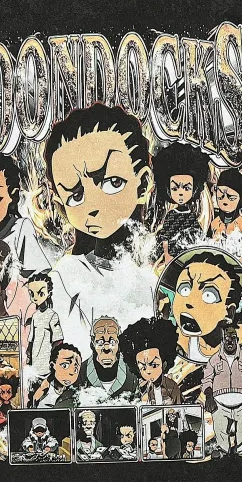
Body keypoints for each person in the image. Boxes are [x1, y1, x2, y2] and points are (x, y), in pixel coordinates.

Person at [43, 103, 156, 353]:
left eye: (112, 182)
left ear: (143, 183)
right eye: (76, 196)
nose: (93, 206)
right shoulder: (66, 277)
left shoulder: (152, 277)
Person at [160, 247, 242, 365]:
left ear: (229, 312)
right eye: (184, 289)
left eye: (208, 295)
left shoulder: (241, 339)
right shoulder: (180, 340)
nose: (189, 302)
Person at [202, 326, 242, 459]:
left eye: (233, 338)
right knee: (219, 423)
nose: (230, 342)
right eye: (227, 338)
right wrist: (209, 396)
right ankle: (222, 450)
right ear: (222, 340)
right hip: (220, 403)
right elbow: (207, 380)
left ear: (237, 340)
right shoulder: (214, 360)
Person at [150, 142, 211, 263]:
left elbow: (199, 238)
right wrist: (167, 256)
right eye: (175, 188)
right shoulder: (171, 215)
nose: (181, 193)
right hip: (173, 260)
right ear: (168, 189)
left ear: (194, 189)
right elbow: (165, 238)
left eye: (187, 188)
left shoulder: (191, 216)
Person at [120, 316, 182, 404]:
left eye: (154, 365)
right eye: (143, 368)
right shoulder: (145, 389)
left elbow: (181, 408)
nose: (148, 371)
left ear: (164, 363)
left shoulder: (171, 387)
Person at [79, 317, 139, 399]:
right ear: (93, 343)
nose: (106, 348)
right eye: (100, 342)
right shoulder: (80, 372)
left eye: (112, 342)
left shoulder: (133, 372)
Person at [25, 272, 63, 377]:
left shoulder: (52, 315)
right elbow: (31, 338)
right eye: (32, 294)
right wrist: (29, 354)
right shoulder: (35, 315)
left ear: (49, 293)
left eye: (40, 293)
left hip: (47, 358)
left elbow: (58, 340)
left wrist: (53, 357)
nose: (35, 297)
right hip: (35, 357)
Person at [210, 168, 242, 242]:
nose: (225, 200)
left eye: (231, 198)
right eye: (221, 196)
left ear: (240, 199)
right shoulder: (213, 223)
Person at [30, 342, 82, 409]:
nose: (71, 373)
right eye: (65, 365)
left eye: (75, 369)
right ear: (53, 365)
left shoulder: (76, 393)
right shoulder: (41, 386)